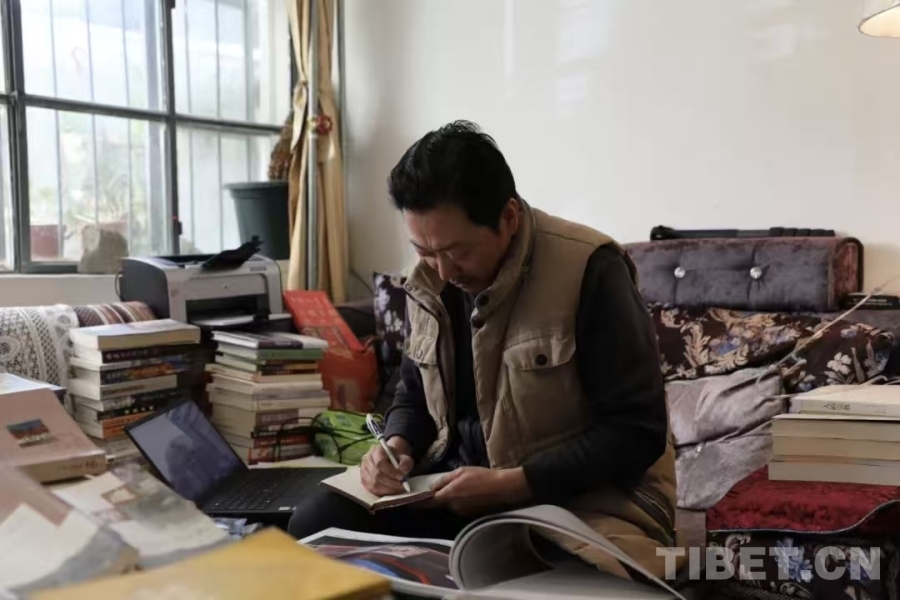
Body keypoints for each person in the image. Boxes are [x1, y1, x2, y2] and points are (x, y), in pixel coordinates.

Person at [288, 120, 678, 580]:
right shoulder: (430, 278)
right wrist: (395, 446)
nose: (443, 271)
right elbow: (413, 393)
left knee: (534, 574)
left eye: (458, 252)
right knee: (314, 524)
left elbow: (636, 431)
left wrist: (514, 484)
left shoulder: (590, 268)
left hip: (576, 502)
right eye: (424, 250)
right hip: (455, 491)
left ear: (508, 218)